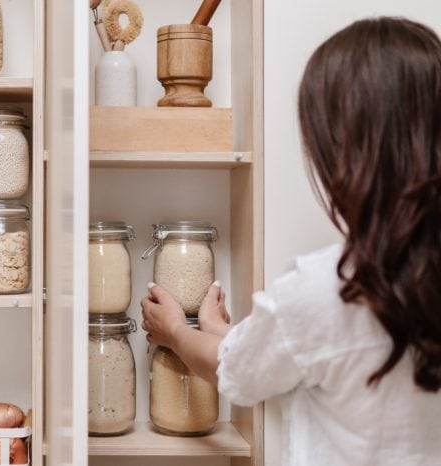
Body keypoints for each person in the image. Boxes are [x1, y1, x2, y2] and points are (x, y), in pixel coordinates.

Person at [141, 17, 441, 466]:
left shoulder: (331, 286)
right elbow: (267, 348)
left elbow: (235, 370)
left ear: (343, 151)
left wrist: (176, 332)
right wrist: (227, 333)